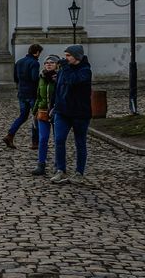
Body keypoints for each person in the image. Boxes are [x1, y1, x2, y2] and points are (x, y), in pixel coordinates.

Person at [51, 44, 93, 184]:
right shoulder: (64, 70)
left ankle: (79, 172)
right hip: (62, 111)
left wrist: (66, 67)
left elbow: (73, 81)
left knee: (80, 143)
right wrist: (54, 106)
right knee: (59, 140)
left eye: (68, 55)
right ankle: (60, 170)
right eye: (66, 55)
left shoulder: (85, 70)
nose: (65, 58)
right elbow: (59, 88)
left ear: (77, 57)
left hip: (80, 113)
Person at [4, 43, 43, 149]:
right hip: (32, 94)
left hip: (21, 93)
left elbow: (15, 78)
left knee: (22, 116)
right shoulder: (34, 63)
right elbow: (34, 78)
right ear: (37, 52)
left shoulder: (19, 62)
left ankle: (10, 135)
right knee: (35, 118)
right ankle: (35, 143)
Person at [32, 54, 59, 176]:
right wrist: (34, 112)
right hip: (42, 111)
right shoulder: (41, 77)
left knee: (58, 139)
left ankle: (58, 165)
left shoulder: (60, 78)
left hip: (56, 112)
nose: (49, 64)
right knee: (43, 138)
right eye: (47, 63)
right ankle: (41, 164)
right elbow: (38, 95)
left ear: (57, 65)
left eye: (52, 62)